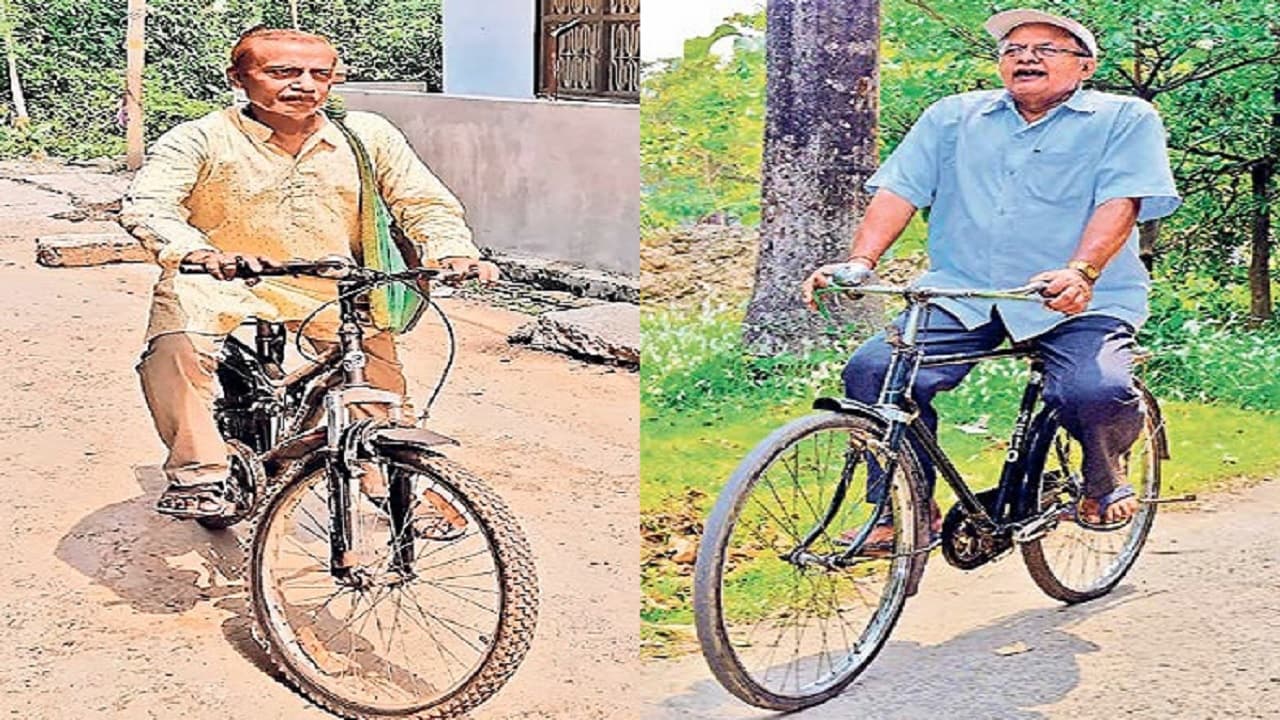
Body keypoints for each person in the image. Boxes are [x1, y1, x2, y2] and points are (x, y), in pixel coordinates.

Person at [801, 9, 1180, 540]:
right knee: (874, 370)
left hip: (1078, 297)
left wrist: (1081, 271)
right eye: (1013, 50)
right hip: (965, 292)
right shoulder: (952, 117)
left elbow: (1123, 199)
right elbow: (900, 190)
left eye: (1046, 49)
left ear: (1086, 66)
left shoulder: (1124, 118)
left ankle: (1103, 480)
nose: (1025, 57)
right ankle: (902, 510)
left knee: (1093, 389)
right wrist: (860, 261)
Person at [119, 27, 498, 519]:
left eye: (320, 74)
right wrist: (195, 251)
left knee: (377, 386)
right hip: (221, 281)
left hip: (333, 284)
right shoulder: (200, 138)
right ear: (238, 78)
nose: (304, 85)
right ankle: (200, 472)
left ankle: (389, 481)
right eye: (282, 72)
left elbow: (422, 202)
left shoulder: (366, 134)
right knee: (175, 351)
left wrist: (452, 251)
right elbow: (149, 205)